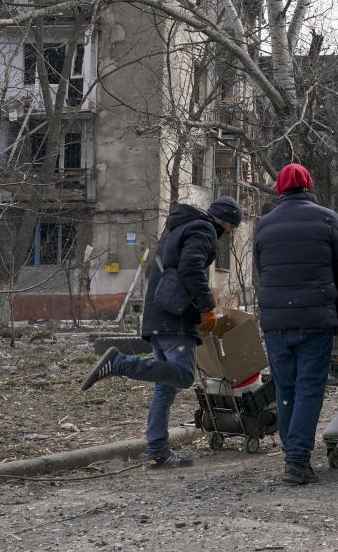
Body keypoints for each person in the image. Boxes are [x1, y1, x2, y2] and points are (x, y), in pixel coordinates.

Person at [80, 196, 243, 468]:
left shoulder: (179, 227)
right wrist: (207, 308)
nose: (230, 233)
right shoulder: (203, 230)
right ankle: (120, 363)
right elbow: (191, 268)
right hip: (175, 318)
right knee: (183, 376)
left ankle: (158, 447)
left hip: (159, 313)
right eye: (231, 227)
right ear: (225, 222)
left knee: (165, 386)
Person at [256, 163, 338, 485]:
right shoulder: (329, 219)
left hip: (275, 322)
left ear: (280, 189)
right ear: (309, 185)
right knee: (309, 389)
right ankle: (297, 461)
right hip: (315, 320)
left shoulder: (264, 224)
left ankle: (292, 455)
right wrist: (336, 315)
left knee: (285, 389)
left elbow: (263, 270)